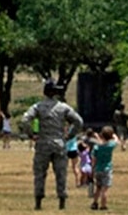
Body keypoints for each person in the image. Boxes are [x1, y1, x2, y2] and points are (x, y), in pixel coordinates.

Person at [22, 80, 86, 210]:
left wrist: (31, 134)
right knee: (61, 173)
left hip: (43, 142)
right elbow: (78, 121)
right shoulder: (63, 107)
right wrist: (70, 135)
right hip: (59, 143)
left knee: (40, 173)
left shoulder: (38, 106)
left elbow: (25, 120)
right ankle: (62, 202)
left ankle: (38, 202)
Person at [90, 125, 118, 211]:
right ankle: (103, 205)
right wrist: (114, 135)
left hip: (98, 169)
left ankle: (95, 203)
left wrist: (92, 169)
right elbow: (116, 141)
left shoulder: (96, 147)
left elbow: (93, 160)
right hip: (107, 169)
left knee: (98, 188)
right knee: (104, 189)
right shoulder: (110, 146)